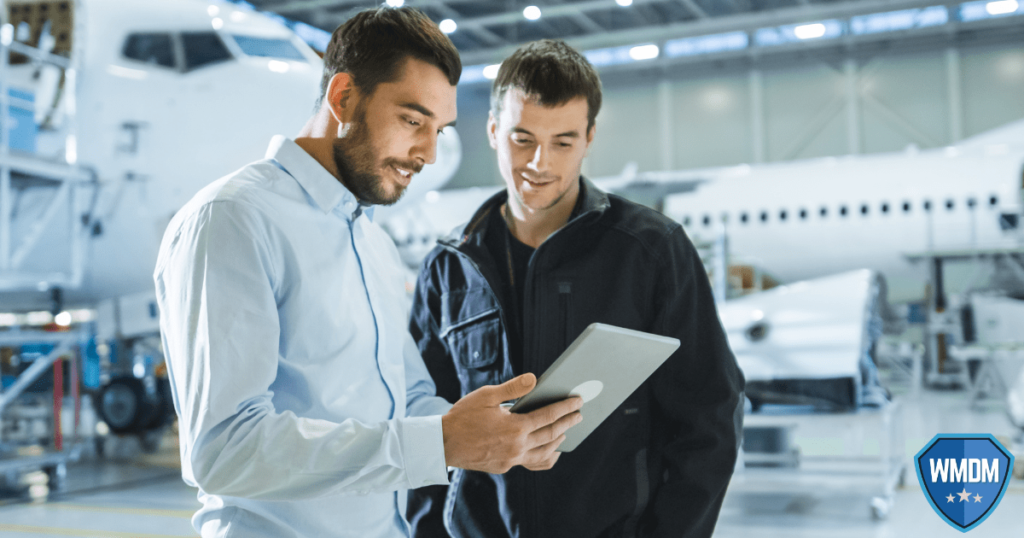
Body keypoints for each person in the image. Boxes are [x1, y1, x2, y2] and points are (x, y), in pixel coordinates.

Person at [154, 10, 582, 538]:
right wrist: (441, 442)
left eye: (438, 129)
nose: (427, 152)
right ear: (343, 99)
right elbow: (224, 448)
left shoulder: (371, 242)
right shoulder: (234, 218)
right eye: (411, 120)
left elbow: (406, 403)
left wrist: (498, 430)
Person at [407, 39, 745, 538]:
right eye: (522, 139)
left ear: (589, 139)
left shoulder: (650, 251)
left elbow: (709, 418)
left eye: (563, 142)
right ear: (494, 131)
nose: (540, 162)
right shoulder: (448, 269)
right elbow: (421, 425)